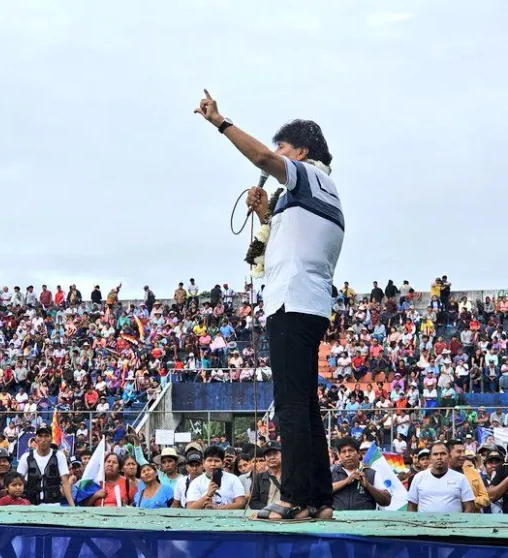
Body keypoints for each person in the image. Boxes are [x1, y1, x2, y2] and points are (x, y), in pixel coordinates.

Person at [195, 90, 343, 521]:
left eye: (283, 147)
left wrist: (220, 122)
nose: (276, 154)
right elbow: (292, 244)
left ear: (302, 152)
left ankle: (293, 498)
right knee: (305, 405)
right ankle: (319, 499)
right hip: (309, 302)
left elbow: (261, 157)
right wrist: (266, 217)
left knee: (291, 405)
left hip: (292, 302)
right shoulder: (320, 190)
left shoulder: (306, 175)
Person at [407, 442, 475, 513]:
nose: (439, 457)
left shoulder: (460, 478)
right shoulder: (418, 477)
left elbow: (469, 506)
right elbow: (411, 505)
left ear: (449, 456)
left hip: (454, 520)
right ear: (430, 458)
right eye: (435, 454)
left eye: (443, 454)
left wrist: (462, 520)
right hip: (424, 520)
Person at [17, 427, 75, 506]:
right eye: (40, 436)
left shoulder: (59, 456)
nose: (43, 440)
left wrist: (72, 506)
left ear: (51, 438)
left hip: (54, 504)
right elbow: (18, 481)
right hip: (32, 505)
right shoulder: (26, 457)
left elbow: (65, 483)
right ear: (36, 438)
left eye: (46, 436)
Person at [329, 438, 391, 511]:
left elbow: (387, 501)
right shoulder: (331, 472)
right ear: (339, 455)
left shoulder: (371, 473)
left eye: (350, 450)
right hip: (337, 517)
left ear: (358, 454)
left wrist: (368, 486)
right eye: (343, 452)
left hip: (365, 518)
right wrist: (346, 481)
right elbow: (321, 493)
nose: (347, 455)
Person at [186, 445, 246, 510]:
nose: (213, 464)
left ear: (223, 463)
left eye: (217, 461)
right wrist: (208, 494)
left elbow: (241, 503)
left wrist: (217, 508)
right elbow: (190, 508)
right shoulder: (196, 483)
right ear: (203, 463)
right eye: (209, 460)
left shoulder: (233, 479)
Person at [446, 440, 489, 512]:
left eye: (464, 451)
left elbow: (485, 499)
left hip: (472, 517)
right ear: (448, 454)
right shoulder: (439, 474)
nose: (463, 455)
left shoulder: (473, 472)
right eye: (459, 452)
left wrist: (468, 502)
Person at [248, 443, 284, 511]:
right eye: (268, 455)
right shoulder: (258, 478)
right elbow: (253, 502)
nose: (272, 457)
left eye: (275, 453)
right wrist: (269, 510)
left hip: (287, 514)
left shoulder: (291, 476)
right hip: (266, 514)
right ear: (265, 458)